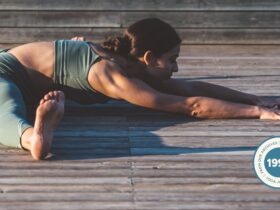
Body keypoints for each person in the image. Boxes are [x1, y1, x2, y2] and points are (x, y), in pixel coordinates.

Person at [0, 18, 279, 160]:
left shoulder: (125, 62)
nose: (176, 68)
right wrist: (256, 113)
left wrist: (255, 98)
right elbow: (191, 106)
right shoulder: (113, 76)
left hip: (28, 82)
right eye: (172, 60)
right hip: (6, 74)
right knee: (5, 110)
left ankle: (36, 121)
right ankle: (32, 139)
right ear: (148, 58)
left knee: (13, 102)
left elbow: (189, 88)